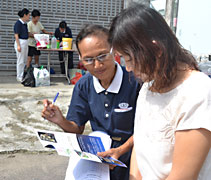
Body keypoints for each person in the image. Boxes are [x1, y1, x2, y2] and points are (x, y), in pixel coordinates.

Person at [109, 3, 211, 180]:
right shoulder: (148, 88)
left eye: (130, 59)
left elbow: (182, 176)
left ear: (156, 49)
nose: (128, 68)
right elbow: (139, 151)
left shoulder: (198, 92)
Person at [42, 24, 140, 180]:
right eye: (88, 60)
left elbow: (149, 128)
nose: (97, 65)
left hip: (134, 157)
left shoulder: (135, 81)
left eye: (102, 56)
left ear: (114, 50)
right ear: (81, 59)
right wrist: (60, 120)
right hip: (99, 160)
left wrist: (121, 150)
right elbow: (76, 129)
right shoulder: (84, 86)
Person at [14, 8, 30, 82]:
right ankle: (19, 76)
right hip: (20, 41)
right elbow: (16, 35)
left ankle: (22, 75)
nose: (29, 17)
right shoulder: (18, 23)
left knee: (24, 60)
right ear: (24, 15)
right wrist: (18, 45)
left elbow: (27, 33)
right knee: (20, 60)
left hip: (26, 41)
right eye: (28, 15)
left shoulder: (25, 24)